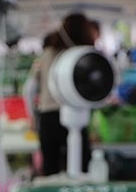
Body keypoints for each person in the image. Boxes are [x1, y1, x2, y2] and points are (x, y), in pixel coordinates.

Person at [27, 12, 98, 176]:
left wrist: (33, 116)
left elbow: (29, 89)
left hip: (48, 116)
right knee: (81, 169)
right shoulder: (85, 57)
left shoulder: (46, 54)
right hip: (78, 115)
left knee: (50, 168)